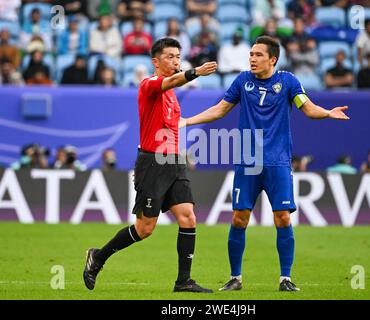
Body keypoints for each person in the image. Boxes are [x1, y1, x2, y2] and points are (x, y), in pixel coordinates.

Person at [180, 36, 349, 292]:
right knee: (239, 218)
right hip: (248, 162)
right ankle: (235, 278)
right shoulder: (242, 81)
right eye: (251, 54)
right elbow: (220, 109)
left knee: (282, 218)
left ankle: (285, 279)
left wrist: (327, 112)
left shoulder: (288, 82)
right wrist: (188, 120)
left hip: (278, 162)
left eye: (258, 54)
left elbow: (308, 108)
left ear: (273, 59)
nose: (252, 58)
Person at [83, 37, 218, 293]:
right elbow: (174, 80)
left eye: (178, 56)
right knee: (145, 229)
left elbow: (176, 124)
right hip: (152, 164)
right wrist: (196, 72)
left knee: (188, 218)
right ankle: (98, 257)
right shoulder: (150, 84)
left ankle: (183, 282)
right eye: (170, 57)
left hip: (174, 163)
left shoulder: (172, 98)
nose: (176, 61)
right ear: (155, 61)